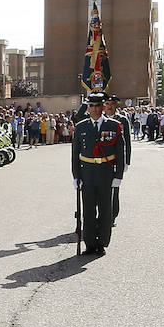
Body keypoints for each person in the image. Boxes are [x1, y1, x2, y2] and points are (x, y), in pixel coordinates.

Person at [71, 92, 124, 256]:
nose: (95, 109)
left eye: (98, 105)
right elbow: (75, 154)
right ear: (88, 108)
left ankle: (101, 242)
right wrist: (75, 176)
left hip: (105, 172)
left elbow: (120, 153)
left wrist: (118, 175)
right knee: (88, 210)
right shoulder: (81, 127)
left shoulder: (114, 125)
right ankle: (90, 243)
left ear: (103, 106)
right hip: (87, 173)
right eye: (91, 106)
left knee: (105, 209)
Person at [105, 95, 132, 221]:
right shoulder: (100, 118)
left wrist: (126, 161)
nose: (109, 106)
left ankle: (112, 215)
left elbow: (127, 141)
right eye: (107, 103)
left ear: (116, 105)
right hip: (103, 159)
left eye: (112, 104)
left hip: (117, 158)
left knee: (114, 189)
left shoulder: (122, 120)